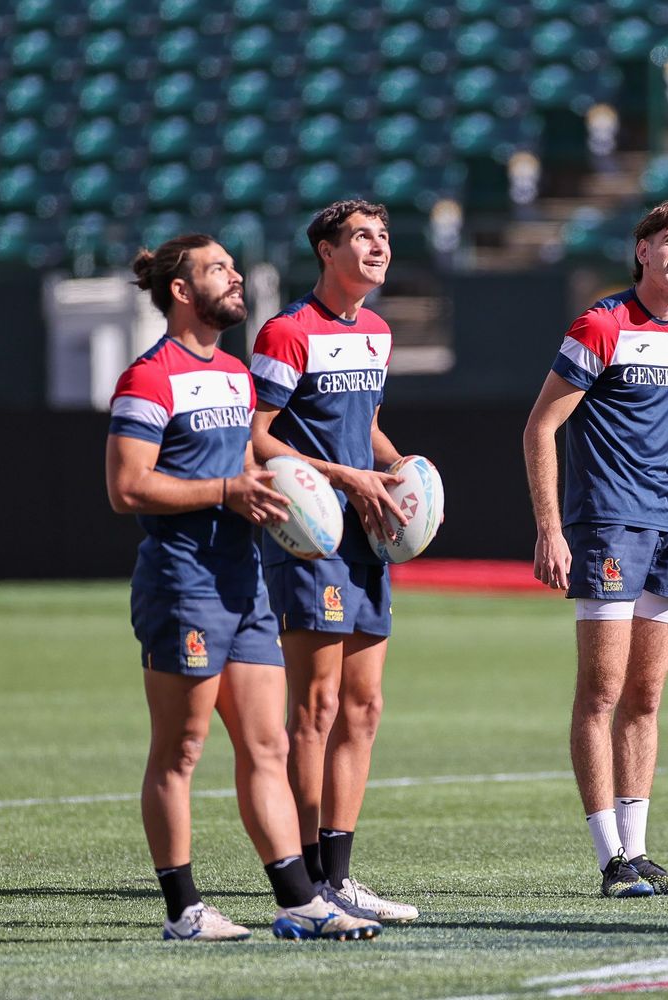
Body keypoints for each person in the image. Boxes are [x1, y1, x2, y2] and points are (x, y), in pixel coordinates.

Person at [106, 234, 382, 942]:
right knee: (181, 749)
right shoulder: (148, 377)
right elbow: (127, 485)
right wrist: (225, 488)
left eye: (232, 267)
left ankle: (299, 899)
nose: (235, 279)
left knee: (267, 747)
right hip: (182, 583)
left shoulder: (234, 373)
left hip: (245, 582)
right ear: (180, 290)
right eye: (218, 269)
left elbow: (260, 452)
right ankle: (184, 910)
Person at [523, 201, 668, 898]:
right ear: (642, 250)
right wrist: (550, 528)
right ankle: (609, 859)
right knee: (601, 692)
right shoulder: (602, 324)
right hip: (606, 528)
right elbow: (540, 427)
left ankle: (640, 850)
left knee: (645, 698)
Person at [248, 200, 419, 925]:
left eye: (383, 237)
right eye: (362, 237)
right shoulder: (287, 332)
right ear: (326, 250)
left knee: (364, 706)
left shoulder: (377, 332)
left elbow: (367, 426)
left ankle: (341, 877)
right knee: (314, 709)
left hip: (367, 538)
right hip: (309, 536)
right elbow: (255, 436)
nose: (378, 247)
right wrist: (344, 478)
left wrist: (397, 465)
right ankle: (309, 880)